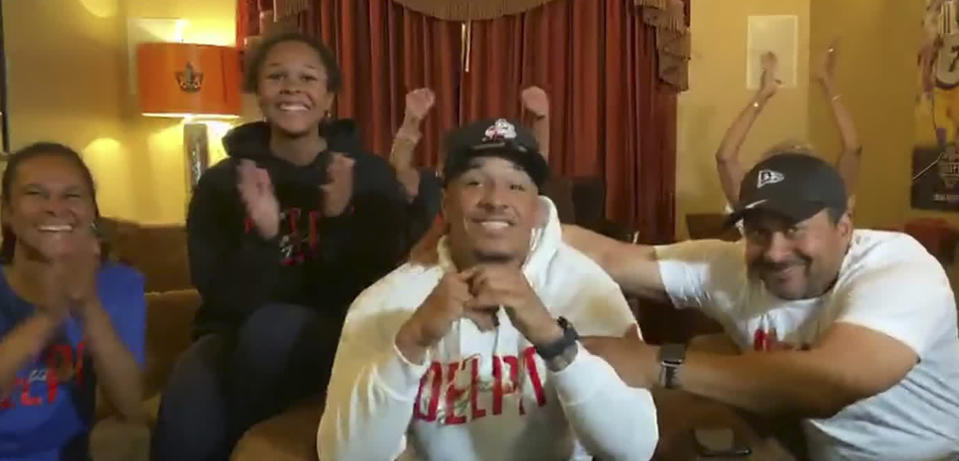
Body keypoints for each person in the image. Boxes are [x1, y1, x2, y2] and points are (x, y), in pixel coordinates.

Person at [566, 150, 959, 460]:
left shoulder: (899, 267)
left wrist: (658, 364)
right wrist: (519, 211)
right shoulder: (733, 267)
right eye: (758, 232)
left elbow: (832, 383)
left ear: (844, 226)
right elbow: (608, 257)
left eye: (793, 229)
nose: (774, 252)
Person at [152, 32, 435, 460]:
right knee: (191, 379)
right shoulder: (223, 182)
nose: (292, 87)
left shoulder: (367, 174)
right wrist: (264, 238)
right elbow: (219, 294)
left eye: (308, 77)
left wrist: (340, 221)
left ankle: (253, 428)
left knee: (274, 328)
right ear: (259, 94)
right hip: (235, 333)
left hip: (340, 333)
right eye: (276, 76)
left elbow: (378, 284)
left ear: (328, 97)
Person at [317, 118, 658, 461]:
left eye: (516, 186)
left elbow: (635, 448)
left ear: (538, 211)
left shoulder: (586, 288)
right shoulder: (383, 302)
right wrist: (412, 342)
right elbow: (344, 457)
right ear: (446, 204)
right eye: (475, 182)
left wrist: (553, 339)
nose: (496, 200)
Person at [0, 142, 146, 460]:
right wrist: (50, 317)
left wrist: (88, 304)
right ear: (7, 213)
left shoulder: (120, 284)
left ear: (92, 212)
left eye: (72, 195)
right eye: (35, 194)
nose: (55, 208)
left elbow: (130, 405)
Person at [717, 46, 861, 212]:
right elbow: (725, 158)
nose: (795, 148)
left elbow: (853, 149)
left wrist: (827, 82)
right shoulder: (757, 200)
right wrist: (762, 95)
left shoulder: (826, 197)